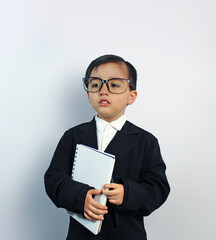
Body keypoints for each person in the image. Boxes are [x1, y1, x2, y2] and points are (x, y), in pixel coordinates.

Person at [44, 54, 170, 240]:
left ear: (131, 96)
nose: (104, 91)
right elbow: (54, 180)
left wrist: (127, 194)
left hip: (126, 234)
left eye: (114, 85)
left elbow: (158, 189)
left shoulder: (146, 141)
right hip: (81, 235)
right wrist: (80, 197)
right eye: (95, 85)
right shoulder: (72, 136)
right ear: (88, 94)